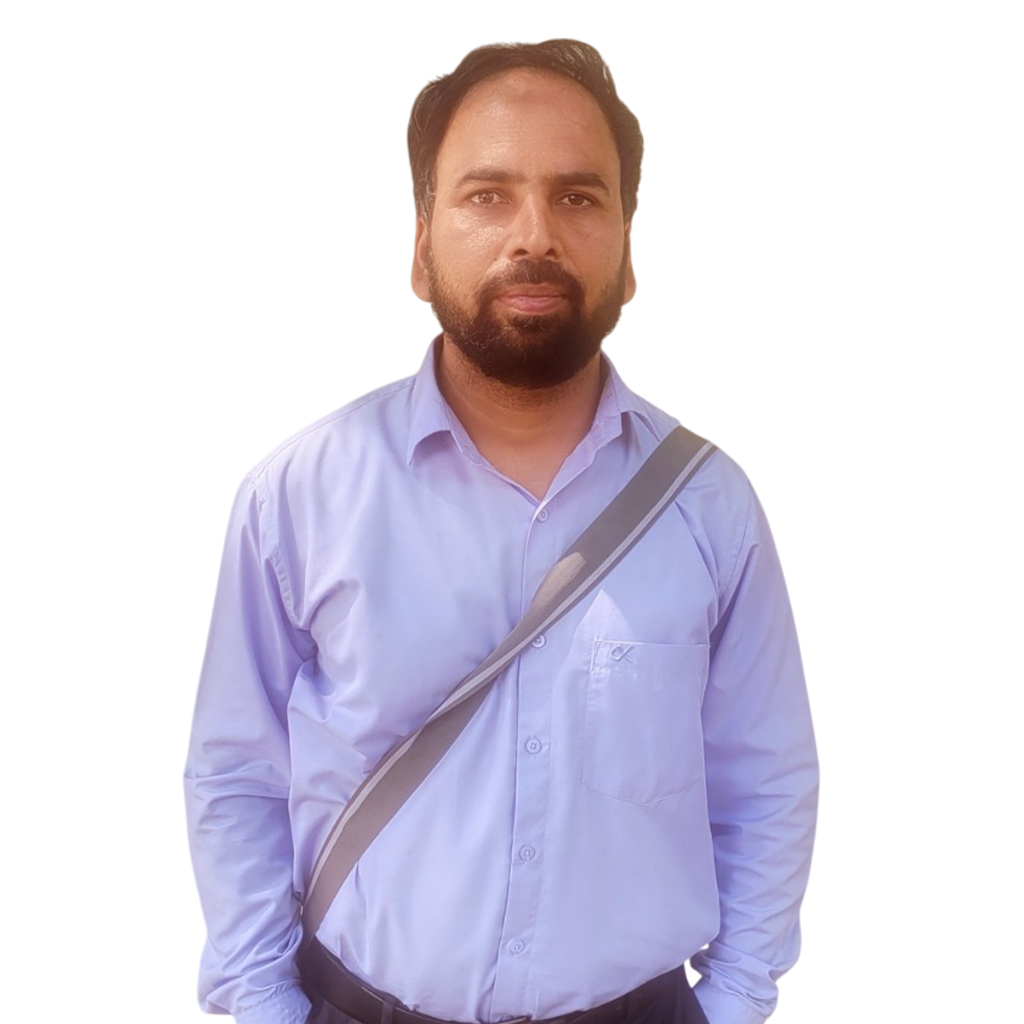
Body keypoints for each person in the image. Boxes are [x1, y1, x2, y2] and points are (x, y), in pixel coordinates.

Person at [185, 38, 818, 1024]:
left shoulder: (709, 506)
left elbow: (766, 780)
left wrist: (734, 1000)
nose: (534, 234)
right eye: (487, 195)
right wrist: (266, 1003)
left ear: (627, 248)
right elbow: (235, 776)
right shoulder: (301, 495)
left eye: (578, 196)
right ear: (420, 243)